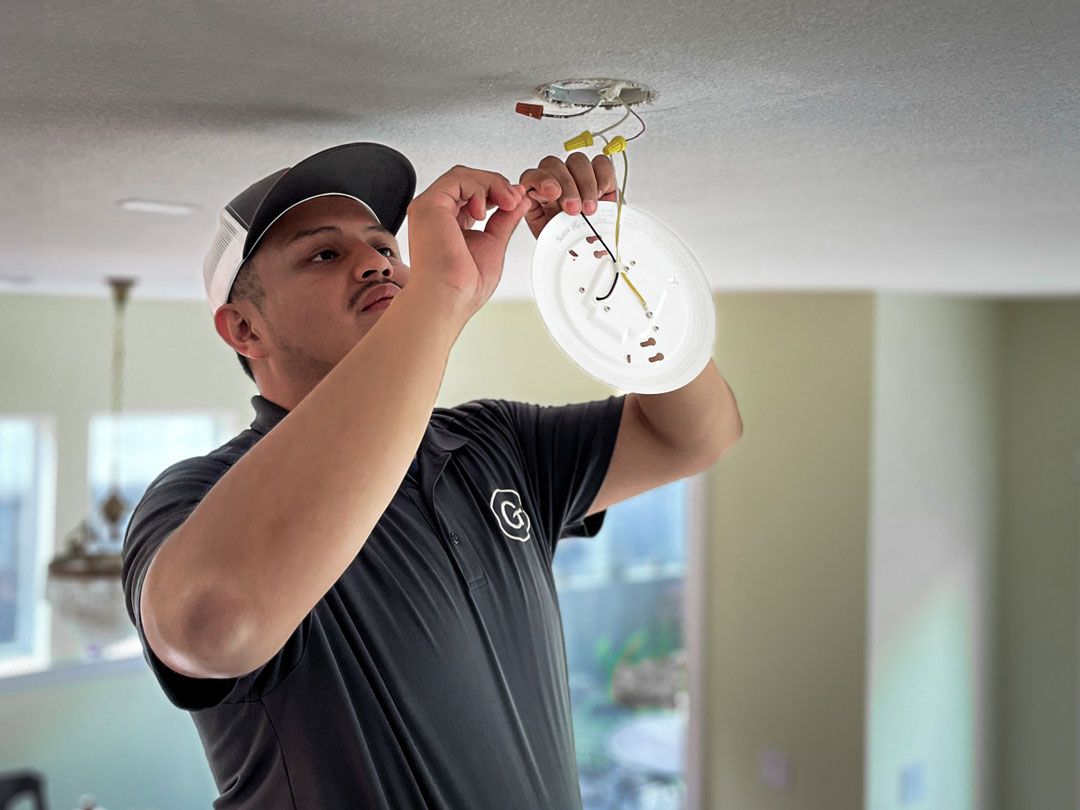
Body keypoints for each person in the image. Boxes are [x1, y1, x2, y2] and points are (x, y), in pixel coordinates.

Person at [121, 142, 742, 810]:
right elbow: (213, 625)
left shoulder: (494, 442)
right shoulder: (199, 497)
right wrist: (438, 302)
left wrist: (610, 266)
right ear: (244, 328)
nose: (376, 262)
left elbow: (695, 432)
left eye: (385, 247)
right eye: (325, 254)